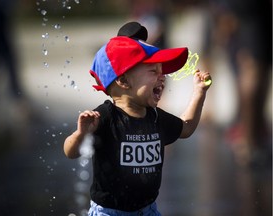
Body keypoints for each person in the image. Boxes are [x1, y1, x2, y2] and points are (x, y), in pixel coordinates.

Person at [63, 22, 211, 215]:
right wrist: (81, 133)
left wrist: (199, 93)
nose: (163, 77)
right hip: (109, 212)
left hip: (148, 210)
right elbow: (70, 151)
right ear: (123, 80)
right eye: (153, 71)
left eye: (162, 71)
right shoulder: (106, 117)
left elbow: (186, 127)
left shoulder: (155, 117)